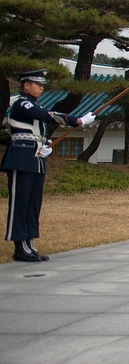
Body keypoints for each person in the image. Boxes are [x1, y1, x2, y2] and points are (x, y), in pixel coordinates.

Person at [2, 69, 94, 262]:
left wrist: (45, 146)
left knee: (33, 204)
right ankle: (19, 245)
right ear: (26, 85)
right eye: (38, 84)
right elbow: (46, 115)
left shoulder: (35, 104)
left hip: (36, 159)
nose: (41, 88)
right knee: (21, 203)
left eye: (42, 85)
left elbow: (39, 130)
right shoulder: (22, 103)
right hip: (21, 158)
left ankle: (29, 241)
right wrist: (76, 120)